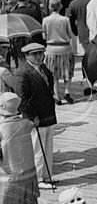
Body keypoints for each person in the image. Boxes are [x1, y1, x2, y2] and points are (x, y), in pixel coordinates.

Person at [0, 91, 39, 204]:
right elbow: (34, 122)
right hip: (29, 173)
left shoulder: (1, 128)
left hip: (10, 177)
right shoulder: (25, 123)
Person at [15, 42, 57, 183]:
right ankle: (38, 179)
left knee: (48, 148)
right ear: (27, 56)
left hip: (48, 114)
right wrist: (32, 116)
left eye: (41, 53)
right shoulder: (23, 73)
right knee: (37, 150)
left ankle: (46, 176)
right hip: (35, 117)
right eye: (35, 54)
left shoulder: (43, 68)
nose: (39, 57)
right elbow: (22, 99)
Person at [42, 0, 74, 105]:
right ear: (60, 6)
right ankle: (67, 92)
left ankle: (56, 95)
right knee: (67, 72)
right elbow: (70, 34)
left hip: (51, 48)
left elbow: (44, 35)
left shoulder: (45, 20)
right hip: (65, 47)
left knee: (53, 73)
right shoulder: (65, 20)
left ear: (50, 7)